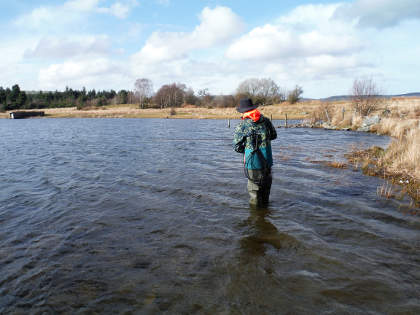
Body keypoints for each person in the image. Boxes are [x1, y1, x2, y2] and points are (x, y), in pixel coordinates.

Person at [233, 98, 277, 207]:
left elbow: (237, 147)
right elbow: (274, 136)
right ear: (253, 108)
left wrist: (247, 148)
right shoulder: (266, 121)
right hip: (267, 161)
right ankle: (265, 214)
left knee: (254, 194)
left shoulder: (242, 125)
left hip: (252, 164)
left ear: (243, 112)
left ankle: (256, 218)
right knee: (266, 191)